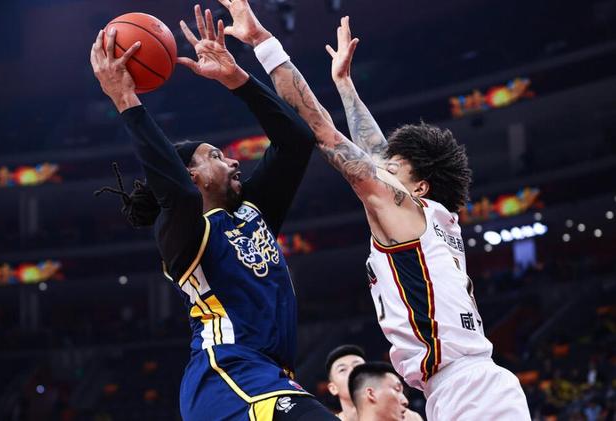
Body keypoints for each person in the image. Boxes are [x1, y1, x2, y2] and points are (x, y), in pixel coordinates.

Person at [214, 1, 531, 419]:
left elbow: (324, 132)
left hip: (470, 389)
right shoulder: (428, 218)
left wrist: (263, 42)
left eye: (394, 169)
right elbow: (378, 153)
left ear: (419, 186)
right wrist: (345, 85)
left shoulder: (407, 211)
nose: (381, 168)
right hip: (459, 387)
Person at [89, 6, 338, 420]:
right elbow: (178, 194)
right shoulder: (183, 233)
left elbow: (295, 141)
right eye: (217, 157)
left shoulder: (253, 211)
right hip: (226, 375)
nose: (234, 161)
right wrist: (126, 100)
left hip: (269, 377)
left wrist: (237, 79)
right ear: (193, 176)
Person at [325, 345, 422, 421]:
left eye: (357, 366)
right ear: (333, 388)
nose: (352, 371)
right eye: (342, 370)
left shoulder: (408, 417)